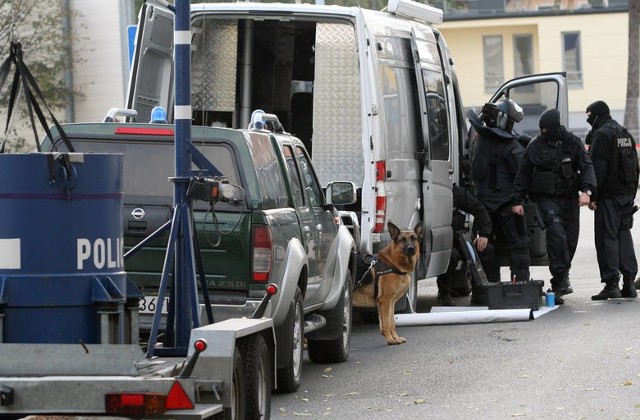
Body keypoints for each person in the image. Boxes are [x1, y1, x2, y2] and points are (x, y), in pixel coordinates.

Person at [511, 109, 596, 304]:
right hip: (546, 199)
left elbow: (587, 166)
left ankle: (559, 281)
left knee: (570, 241)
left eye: (546, 129)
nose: (543, 132)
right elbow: (523, 173)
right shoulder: (536, 146)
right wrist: (517, 200)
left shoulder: (572, 142)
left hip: (569, 199)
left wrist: (587, 192)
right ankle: (561, 277)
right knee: (556, 232)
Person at [468, 98, 531, 284]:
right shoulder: (512, 147)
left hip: (483, 207)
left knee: (486, 247)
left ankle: (488, 289)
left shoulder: (479, 142)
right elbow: (522, 175)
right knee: (518, 247)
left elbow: (475, 174)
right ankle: (520, 287)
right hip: (508, 205)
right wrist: (520, 200)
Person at [585, 100, 639, 300]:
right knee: (624, 237)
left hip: (608, 197)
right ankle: (630, 283)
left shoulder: (602, 135)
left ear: (597, 114)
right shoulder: (624, 133)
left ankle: (611, 284)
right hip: (626, 195)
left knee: (606, 238)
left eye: (589, 114)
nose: (587, 118)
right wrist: (631, 194)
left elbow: (597, 169)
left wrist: (593, 196)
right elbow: (635, 168)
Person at [436, 184, 492, 306]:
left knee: (485, 250)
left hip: (459, 239)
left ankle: (479, 294)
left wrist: (483, 234)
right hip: (440, 243)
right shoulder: (429, 193)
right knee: (451, 256)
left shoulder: (454, 191)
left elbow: (478, 208)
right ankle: (444, 293)